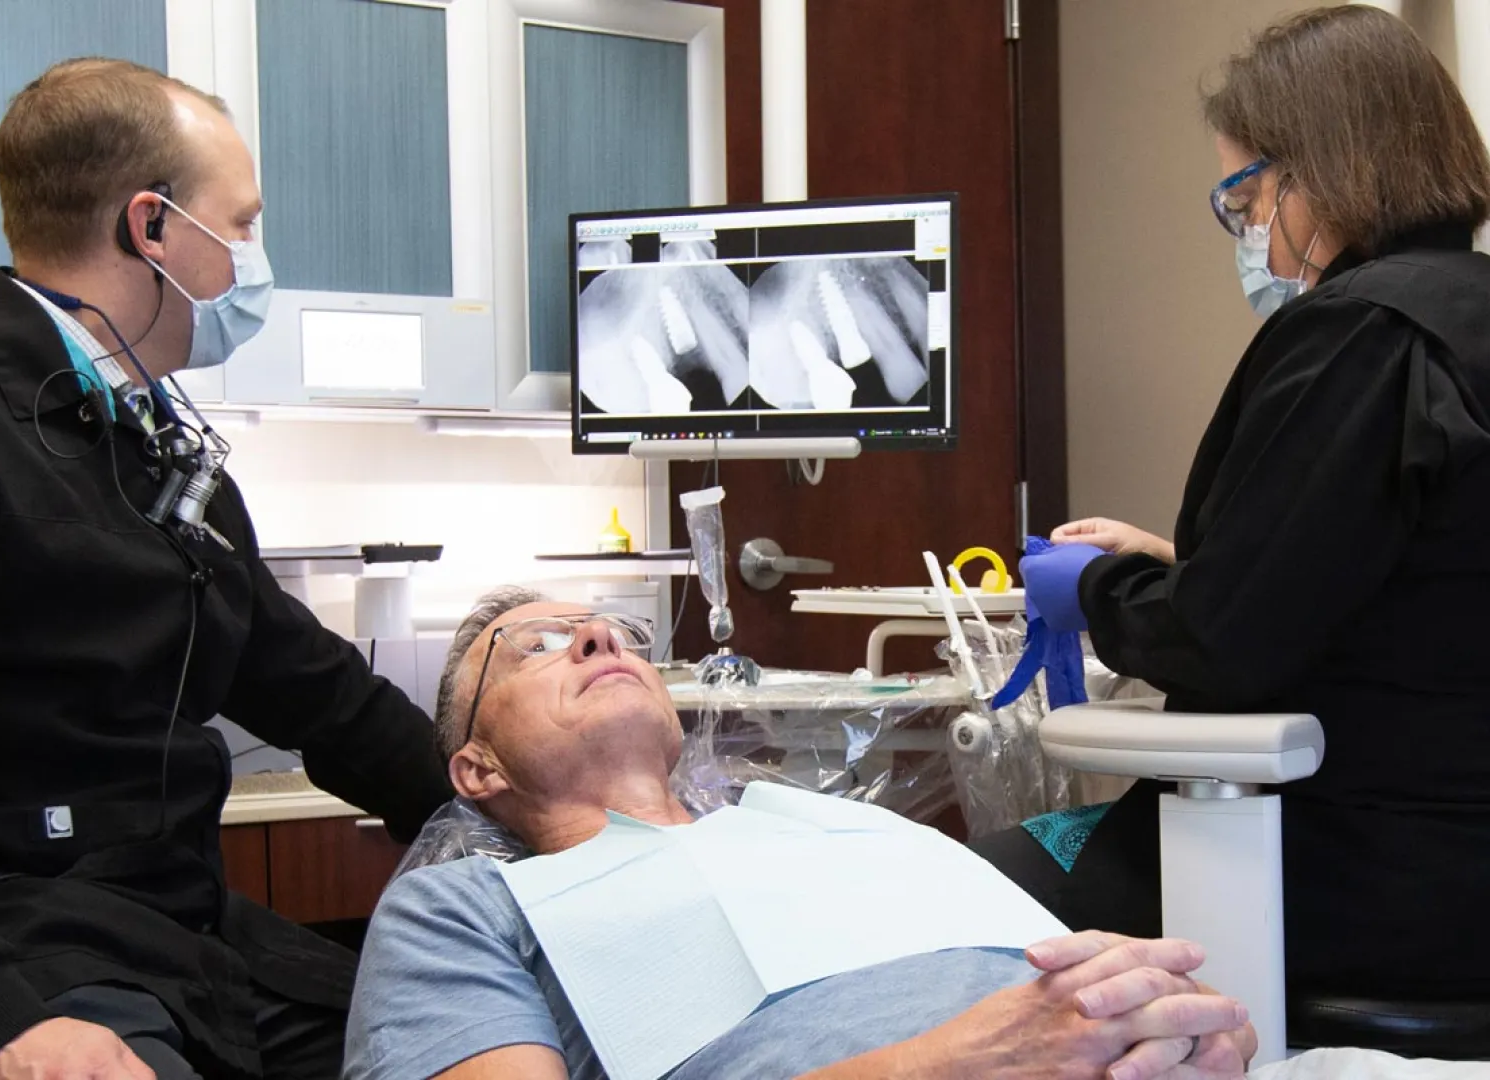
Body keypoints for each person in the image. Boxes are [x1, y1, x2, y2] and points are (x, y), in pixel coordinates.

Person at [0, 58, 453, 1080]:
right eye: (240, 226)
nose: (254, 260)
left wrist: (501, 818)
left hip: (183, 946)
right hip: (0, 963)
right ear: (150, 228)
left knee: (484, 1042)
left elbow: (319, 694)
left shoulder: (158, 447)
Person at [973, 5, 1490, 1003]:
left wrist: (1100, 588)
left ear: (1319, 171)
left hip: (1360, 868)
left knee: (952, 890)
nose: (1250, 229)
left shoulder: (1359, 337)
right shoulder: (1462, 319)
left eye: (1245, 194)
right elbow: (1405, 583)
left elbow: (1225, 644)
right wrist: (1175, 560)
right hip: (1449, 847)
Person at [344, 588, 1257, 1080]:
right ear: (479, 770)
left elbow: (1061, 1006)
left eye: (615, 632)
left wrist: (1179, 1028)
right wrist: (958, 1064)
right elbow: (1012, 1043)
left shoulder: (833, 830)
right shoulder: (462, 907)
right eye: (536, 646)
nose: (598, 640)